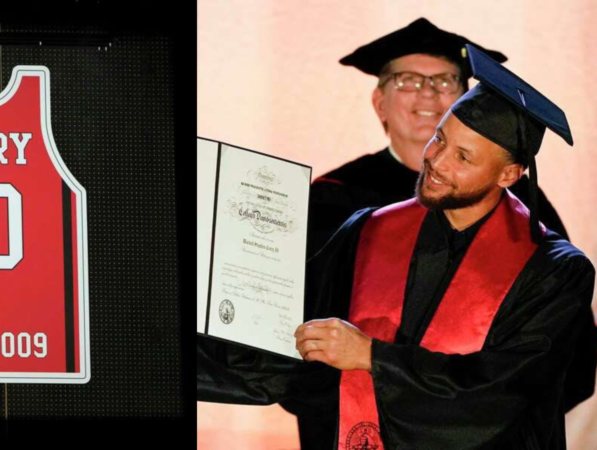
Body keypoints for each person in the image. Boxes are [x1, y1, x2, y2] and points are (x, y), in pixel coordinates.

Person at [198, 45, 596, 450]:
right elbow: (300, 347)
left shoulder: (554, 270)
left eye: (463, 156)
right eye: (440, 138)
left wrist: (372, 358)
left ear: (508, 174)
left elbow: (505, 391)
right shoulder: (368, 230)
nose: (437, 161)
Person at [308, 18, 569, 250]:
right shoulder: (335, 195)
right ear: (379, 104)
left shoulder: (517, 197)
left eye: (445, 81)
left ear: (467, 102)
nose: (428, 93)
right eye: (407, 80)